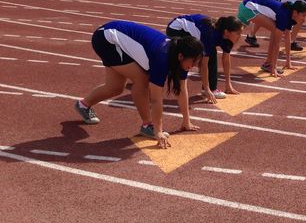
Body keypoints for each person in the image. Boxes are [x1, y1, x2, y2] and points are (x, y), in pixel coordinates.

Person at [75, 21, 204, 149]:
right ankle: (147, 125)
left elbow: (182, 89)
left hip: (112, 37)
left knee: (115, 88)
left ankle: (83, 105)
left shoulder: (180, 57)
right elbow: (156, 99)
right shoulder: (162, 57)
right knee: (142, 80)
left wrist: (186, 120)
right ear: (181, 56)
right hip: (106, 39)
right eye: (193, 62)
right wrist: (158, 131)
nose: (194, 66)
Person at [166, 14, 243, 103]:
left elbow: (225, 60)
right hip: (177, 29)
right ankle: (207, 88)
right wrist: (207, 89)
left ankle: (211, 88)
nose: (240, 36)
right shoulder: (210, 35)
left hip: (195, 30)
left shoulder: (228, 39)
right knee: (189, 56)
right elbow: (203, 64)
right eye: (238, 33)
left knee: (211, 53)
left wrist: (228, 84)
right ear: (227, 32)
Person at [239, 0, 306, 77]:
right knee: (276, 31)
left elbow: (288, 39)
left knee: (275, 30)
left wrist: (288, 62)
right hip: (248, 8)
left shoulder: (291, 15)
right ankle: (269, 65)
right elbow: (276, 44)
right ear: (296, 12)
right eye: (303, 15)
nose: (304, 19)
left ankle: (268, 64)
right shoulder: (284, 16)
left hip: (247, 6)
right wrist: (274, 68)